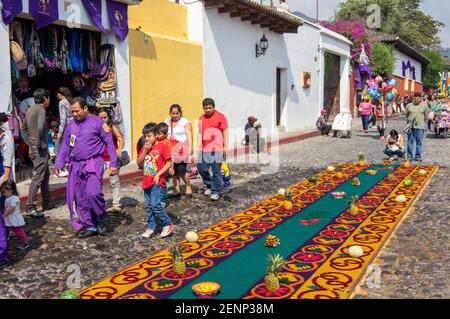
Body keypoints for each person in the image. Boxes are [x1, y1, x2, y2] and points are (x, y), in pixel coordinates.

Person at [54, 97, 118, 238]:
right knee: (81, 197)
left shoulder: (98, 123)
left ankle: (100, 219)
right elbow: (65, 145)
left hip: (93, 163)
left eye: (77, 111)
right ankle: (89, 225)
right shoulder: (70, 125)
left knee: (93, 193)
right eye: (72, 112)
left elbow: (109, 143)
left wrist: (113, 163)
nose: (75, 114)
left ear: (85, 108)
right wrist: (59, 163)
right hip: (76, 165)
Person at [137, 123, 174, 238]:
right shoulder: (145, 147)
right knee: (148, 206)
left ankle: (168, 224)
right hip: (146, 181)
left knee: (156, 204)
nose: (147, 138)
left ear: (157, 135)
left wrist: (158, 174)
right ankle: (151, 227)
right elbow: (139, 161)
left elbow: (168, 162)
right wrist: (145, 151)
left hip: (157, 182)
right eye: (145, 136)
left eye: (149, 136)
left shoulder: (163, 147)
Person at [21, 88, 53, 218]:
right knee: (38, 177)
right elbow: (39, 128)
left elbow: (23, 129)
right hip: (39, 150)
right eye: (48, 98)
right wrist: (37, 145)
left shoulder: (29, 109)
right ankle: (30, 206)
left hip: (34, 148)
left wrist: (30, 143)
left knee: (45, 175)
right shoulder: (41, 110)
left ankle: (46, 202)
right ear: (45, 98)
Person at [197, 98, 228, 201]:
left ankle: (217, 191)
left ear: (214, 107)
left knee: (216, 171)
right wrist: (198, 145)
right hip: (204, 148)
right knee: (201, 168)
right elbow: (200, 133)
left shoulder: (220, 116)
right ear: (203, 108)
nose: (208, 110)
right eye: (206, 108)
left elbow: (225, 132)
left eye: (210, 108)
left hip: (217, 148)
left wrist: (225, 146)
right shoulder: (201, 118)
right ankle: (209, 185)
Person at [98, 109, 125, 212]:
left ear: (108, 117)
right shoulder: (95, 127)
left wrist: (118, 150)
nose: (103, 119)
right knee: (96, 182)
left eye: (105, 117)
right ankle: (98, 203)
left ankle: (116, 204)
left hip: (111, 159)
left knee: (114, 182)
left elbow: (120, 139)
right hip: (98, 159)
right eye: (101, 117)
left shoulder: (112, 127)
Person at [165, 105, 193, 197]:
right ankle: (176, 189)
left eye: (177, 113)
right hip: (170, 149)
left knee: (181, 170)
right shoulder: (167, 121)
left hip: (182, 148)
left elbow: (189, 135)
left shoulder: (185, 122)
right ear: (170, 113)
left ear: (180, 113)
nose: (175, 115)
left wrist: (190, 148)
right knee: (173, 170)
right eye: (173, 113)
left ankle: (188, 186)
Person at [1, 180, 29, 250]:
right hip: (11, 218)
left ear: (11, 190)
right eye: (2, 192)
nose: (3, 194)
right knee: (9, 228)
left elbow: (12, 208)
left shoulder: (14, 198)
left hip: (14, 218)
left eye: (4, 192)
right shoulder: (8, 198)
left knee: (19, 231)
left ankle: (25, 242)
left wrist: (5, 214)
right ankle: (6, 238)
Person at [405, 92, 428, 162]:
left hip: (420, 126)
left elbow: (426, 116)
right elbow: (406, 115)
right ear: (413, 98)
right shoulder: (409, 105)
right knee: (410, 141)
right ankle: (410, 156)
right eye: (415, 98)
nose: (416, 100)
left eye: (418, 98)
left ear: (420, 98)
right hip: (410, 126)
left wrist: (420, 120)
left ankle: (418, 156)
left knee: (419, 142)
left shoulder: (424, 106)